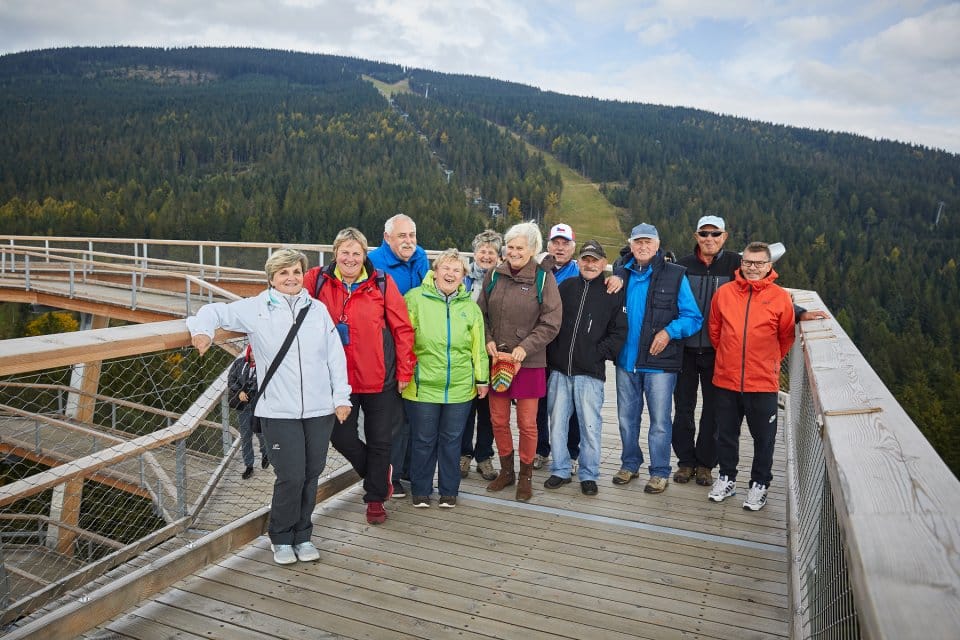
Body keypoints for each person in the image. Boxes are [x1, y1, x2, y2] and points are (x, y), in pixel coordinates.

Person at [187, 248, 352, 565]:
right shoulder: (256, 309)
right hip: (278, 411)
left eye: (296, 271)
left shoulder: (317, 310)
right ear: (272, 278)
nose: (291, 278)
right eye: (283, 273)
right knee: (290, 475)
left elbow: (335, 357)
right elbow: (211, 311)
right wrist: (203, 332)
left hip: (319, 411)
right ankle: (281, 536)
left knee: (311, 474)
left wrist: (341, 397)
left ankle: (303, 535)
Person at [673, 215, 829, 488]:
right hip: (684, 350)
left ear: (725, 236)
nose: (709, 238)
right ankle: (686, 462)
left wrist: (799, 313)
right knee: (683, 408)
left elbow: (765, 293)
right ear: (696, 236)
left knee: (713, 412)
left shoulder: (738, 262)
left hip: (717, 354)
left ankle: (706, 464)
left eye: (715, 233)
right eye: (704, 233)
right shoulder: (682, 266)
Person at [303, 227, 415, 525]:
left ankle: (375, 499)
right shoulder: (316, 280)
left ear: (365, 255)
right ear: (334, 253)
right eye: (345, 252)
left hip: (379, 376)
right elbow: (284, 310)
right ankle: (379, 474)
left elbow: (403, 328)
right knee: (339, 436)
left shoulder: (381, 281)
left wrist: (405, 369)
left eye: (356, 253)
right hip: (337, 380)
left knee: (380, 440)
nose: (350, 258)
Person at [613, 223, 703, 494]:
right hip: (626, 361)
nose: (643, 247)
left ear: (657, 244)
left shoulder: (675, 275)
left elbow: (693, 317)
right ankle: (630, 464)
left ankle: (660, 471)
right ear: (631, 245)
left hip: (660, 364)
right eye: (638, 242)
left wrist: (669, 332)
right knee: (626, 419)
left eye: (648, 242)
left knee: (660, 421)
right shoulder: (620, 273)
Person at [707, 242, 796, 511]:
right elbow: (715, 331)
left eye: (758, 263)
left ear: (769, 266)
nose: (752, 268)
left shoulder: (780, 297)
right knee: (726, 434)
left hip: (762, 383)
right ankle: (727, 478)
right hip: (726, 379)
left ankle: (759, 484)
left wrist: (766, 362)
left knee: (764, 439)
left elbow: (786, 337)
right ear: (741, 263)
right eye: (748, 262)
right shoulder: (724, 293)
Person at [478, 221, 561, 502]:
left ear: (533, 249)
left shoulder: (543, 278)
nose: (512, 252)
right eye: (510, 246)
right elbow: (481, 315)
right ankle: (507, 471)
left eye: (519, 247)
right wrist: (487, 338)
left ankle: (525, 476)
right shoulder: (493, 275)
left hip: (529, 362)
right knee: (498, 419)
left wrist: (526, 347)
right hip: (498, 359)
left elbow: (551, 322)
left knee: (527, 423)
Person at [403, 249, 489, 508]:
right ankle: (421, 490)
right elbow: (404, 341)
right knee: (423, 440)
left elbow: (478, 347)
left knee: (452, 442)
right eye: (446, 268)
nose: (450, 274)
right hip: (422, 386)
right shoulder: (415, 299)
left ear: (463, 276)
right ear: (435, 270)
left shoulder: (470, 308)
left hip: (460, 387)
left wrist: (482, 379)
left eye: (457, 270)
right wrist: (404, 374)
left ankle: (449, 491)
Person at [544, 240, 627, 495]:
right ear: (578, 262)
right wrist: (553, 354)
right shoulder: (566, 286)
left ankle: (588, 474)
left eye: (595, 260)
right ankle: (560, 468)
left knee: (590, 426)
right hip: (559, 369)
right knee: (557, 423)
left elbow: (619, 332)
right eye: (585, 260)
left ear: (604, 264)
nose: (590, 264)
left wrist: (595, 354)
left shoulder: (612, 292)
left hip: (590, 373)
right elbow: (550, 321)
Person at [368, 213, 429, 493]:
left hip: (417, 347)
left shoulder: (420, 258)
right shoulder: (374, 264)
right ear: (387, 238)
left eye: (412, 236)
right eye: (402, 236)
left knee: (412, 415)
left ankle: (406, 470)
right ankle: (388, 476)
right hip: (387, 348)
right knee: (391, 418)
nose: (409, 242)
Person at [534, 223, 582, 471]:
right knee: (538, 402)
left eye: (565, 243)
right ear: (548, 245)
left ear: (573, 247)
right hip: (540, 347)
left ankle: (572, 454)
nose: (560, 248)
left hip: (567, 349)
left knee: (570, 405)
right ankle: (541, 449)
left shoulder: (581, 271)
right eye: (556, 243)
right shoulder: (538, 270)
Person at [460, 229, 503, 482]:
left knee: (489, 409)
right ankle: (463, 454)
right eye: (482, 251)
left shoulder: (502, 279)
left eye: (492, 252)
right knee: (466, 407)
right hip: (465, 353)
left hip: (492, 351)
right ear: (474, 253)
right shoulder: (461, 277)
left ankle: (484, 456)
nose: (486, 255)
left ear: (499, 256)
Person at [227, 344, 269, 479]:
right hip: (243, 406)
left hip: (258, 406)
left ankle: (266, 453)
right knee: (246, 436)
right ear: (249, 352)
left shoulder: (264, 365)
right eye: (252, 353)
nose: (254, 356)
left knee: (261, 433)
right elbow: (231, 379)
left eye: (257, 353)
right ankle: (249, 465)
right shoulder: (239, 364)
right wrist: (239, 392)